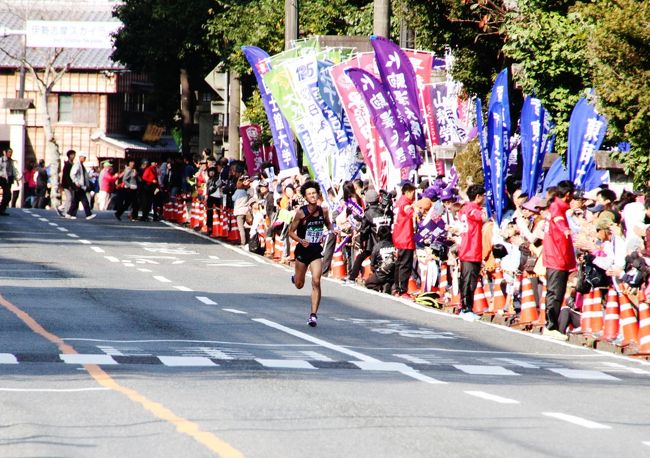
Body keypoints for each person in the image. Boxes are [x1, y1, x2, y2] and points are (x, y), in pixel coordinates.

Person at [288, 180, 335, 327]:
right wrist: (301, 240)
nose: (312, 196)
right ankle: (296, 277)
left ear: (318, 194)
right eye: (309, 194)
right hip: (303, 250)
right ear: (305, 197)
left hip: (315, 250)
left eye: (314, 193)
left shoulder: (323, 210)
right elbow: (290, 232)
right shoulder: (301, 212)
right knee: (299, 285)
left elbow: (328, 223)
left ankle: (313, 315)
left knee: (316, 280)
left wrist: (331, 229)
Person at [542, 180, 576, 338]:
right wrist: (566, 230)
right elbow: (559, 222)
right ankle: (550, 326)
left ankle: (550, 325)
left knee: (556, 292)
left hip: (557, 256)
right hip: (556, 257)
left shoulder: (555, 207)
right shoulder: (557, 209)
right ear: (568, 195)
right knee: (555, 293)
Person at [457, 184, 487, 320]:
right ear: (478, 197)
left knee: (469, 280)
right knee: (469, 281)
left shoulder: (464, 208)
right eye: (483, 196)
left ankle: (466, 307)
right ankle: (465, 308)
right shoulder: (472, 209)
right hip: (470, 249)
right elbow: (483, 217)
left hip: (468, 248)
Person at [392, 181, 417, 297]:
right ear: (407, 192)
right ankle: (402, 289)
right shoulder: (405, 202)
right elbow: (409, 211)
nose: (413, 196)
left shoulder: (398, 202)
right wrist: (416, 212)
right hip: (405, 237)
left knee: (399, 264)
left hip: (398, 236)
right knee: (405, 265)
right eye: (412, 193)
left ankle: (396, 288)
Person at [66, 151, 96, 220]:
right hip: (79, 185)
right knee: (84, 200)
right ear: (80, 157)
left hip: (81, 185)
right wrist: (76, 182)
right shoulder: (77, 165)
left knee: (75, 201)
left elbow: (84, 175)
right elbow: (72, 174)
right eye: (84, 157)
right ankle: (88, 214)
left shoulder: (81, 165)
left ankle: (69, 213)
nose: (85, 159)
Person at [0, 148, 19, 215]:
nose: (10, 154)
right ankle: (2, 209)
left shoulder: (11, 161)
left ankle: (2, 209)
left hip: (9, 180)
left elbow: (13, 170)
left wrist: (16, 179)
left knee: (7, 195)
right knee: (8, 195)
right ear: (5, 152)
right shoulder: (1, 160)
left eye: (11, 152)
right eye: (9, 152)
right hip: (2, 179)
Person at [57, 149, 76, 216]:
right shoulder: (67, 165)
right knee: (69, 198)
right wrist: (68, 185)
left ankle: (62, 208)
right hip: (66, 184)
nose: (73, 156)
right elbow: (66, 176)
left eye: (74, 154)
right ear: (69, 156)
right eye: (72, 155)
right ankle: (65, 211)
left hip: (71, 184)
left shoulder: (73, 164)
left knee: (70, 198)